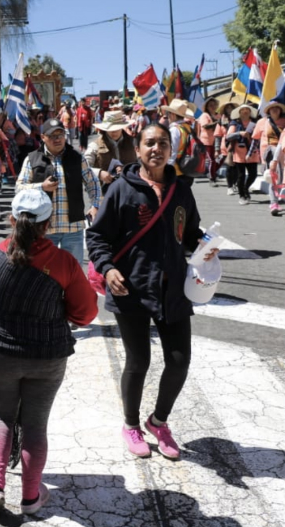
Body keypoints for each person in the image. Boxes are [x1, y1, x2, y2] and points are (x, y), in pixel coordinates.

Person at [86, 123, 219, 461]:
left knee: (179, 361)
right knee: (138, 361)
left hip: (172, 289)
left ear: (170, 150)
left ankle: (158, 422)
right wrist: (108, 268)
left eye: (162, 143)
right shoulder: (120, 189)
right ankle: (131, 425)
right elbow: (97, 237)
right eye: (149, 143)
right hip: (130, 287)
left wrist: (204, 247)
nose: (156, 149)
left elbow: (187, 234)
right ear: (139, 148)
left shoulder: (181, 192)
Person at [0, 189, 97, 513]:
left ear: (12, 220)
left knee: (1, 415)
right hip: (47, 358)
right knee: (35, 426)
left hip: (1, 356)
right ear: (49, 224)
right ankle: (30, 497)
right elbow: (85, 313)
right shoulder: (64, 263)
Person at [17, 118, 101, 264]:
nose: (57, 139)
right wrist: (41, 187)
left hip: (73, 229)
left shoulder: (77, 158)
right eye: (52, 136)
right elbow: (19, 188)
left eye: (60, 135)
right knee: (44, 274)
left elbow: (92, 182)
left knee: (73, 274)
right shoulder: (32, 159)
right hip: (44, 230)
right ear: (43, 137)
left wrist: (95, 205)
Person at [85, 110, 138, 192]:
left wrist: (128, 169)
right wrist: (99, 173)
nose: (114, 131)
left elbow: (143, 163)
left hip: (131, 190)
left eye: (117, 128)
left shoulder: (134, 143)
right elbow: (83, 167)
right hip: (105, 193)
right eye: (110, 129)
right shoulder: (94, 146)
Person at [253, 102, 285, 214]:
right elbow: (255, 138)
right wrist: (251, 153)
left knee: (282, 178)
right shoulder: (262, 122)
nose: (275, 110)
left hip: (283, 153)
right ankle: (274, 202)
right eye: (272, 108)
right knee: (272, 177)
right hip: (269, 153)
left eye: (277, 108)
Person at [222, 104, 257, 204]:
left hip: (252, 152)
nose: (245, 111)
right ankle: (242, 196)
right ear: (239, 112)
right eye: (243, 110)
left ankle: (245, 188)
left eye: (247, 109)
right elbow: (228, 136)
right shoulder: (235, 123)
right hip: (239, 152)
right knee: (241, 175)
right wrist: (239, 133)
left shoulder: (254, 123)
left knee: (253, 174)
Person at [161, 99, 197, 186]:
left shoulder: (174, 129)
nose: (167, 117)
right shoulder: (188, 127)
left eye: (168, 114)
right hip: (188, 168)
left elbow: (172, 151)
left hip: (177, 171)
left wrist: (168, 170)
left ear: (172, 115)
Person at [197, 97, 222, 186]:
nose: (213, 106)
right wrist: (218, 122)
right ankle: (212, 178)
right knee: (211, 160)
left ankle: (212, 172)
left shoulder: (218, 115)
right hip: (206, 141)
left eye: (214, 105)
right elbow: (206, 126)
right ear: (207, 107)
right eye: (210, 105)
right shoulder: (205, 115)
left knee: (221, 159)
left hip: (217, 141)